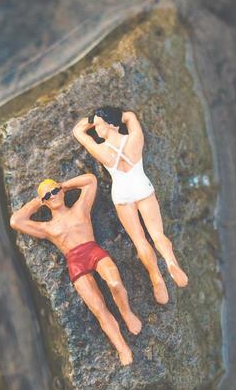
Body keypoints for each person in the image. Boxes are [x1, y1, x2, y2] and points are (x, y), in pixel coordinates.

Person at [8, 173, 142, 366]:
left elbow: (90, 180)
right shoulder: (48, 227)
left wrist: (63, 185)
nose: (52, 196)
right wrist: (39, 201)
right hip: (75, 263)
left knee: (114, 282)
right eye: (48, 196)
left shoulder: (80, 208)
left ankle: (127, 313)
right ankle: (122, 347)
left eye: (54, 191)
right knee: (98, 307)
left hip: (93, 251)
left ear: (61, 191)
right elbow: (16, 221)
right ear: (44, 202)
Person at [72, 106, 188, 305]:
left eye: (99, 125)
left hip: (122, 194)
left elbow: (78, 131)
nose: (96, 129)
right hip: (141, 186)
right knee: (158, 235)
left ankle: (156, 277)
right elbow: (130, 116)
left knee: (140, 241)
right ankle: (170, 261)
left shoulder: (102, 151)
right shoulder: (134, 140)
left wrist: (92, 118)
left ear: (109, 124)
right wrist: (110, 116)